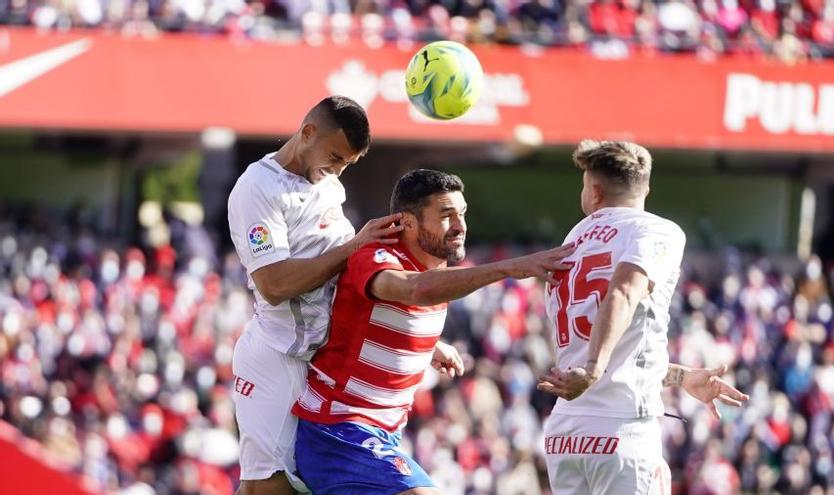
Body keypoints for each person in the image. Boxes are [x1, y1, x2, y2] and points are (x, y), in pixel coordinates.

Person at [292, 169, 575, 495]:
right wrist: (509, 267)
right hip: (338, 431)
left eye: (462, 214)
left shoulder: (433, 266)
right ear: (408, 223)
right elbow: (411, 290)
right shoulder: (375, 256)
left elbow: (374, 315)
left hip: (382, 433)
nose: (460, 226)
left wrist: (430, 346)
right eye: (446, 215)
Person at [536, 140, 750, 495]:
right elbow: (623, 292)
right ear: (646, 189)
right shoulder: (656, 230)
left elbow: (615, 344)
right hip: (622, 428)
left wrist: (682, 377)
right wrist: (592, 369)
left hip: (567, 431)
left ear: (594, 191)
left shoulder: (575, 238)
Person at [227, 96, 403, 495]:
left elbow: (347, 279)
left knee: (307, 483)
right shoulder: (258, 188)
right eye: (335, 156)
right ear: (308, 132)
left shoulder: (328, 187)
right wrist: (354, 246)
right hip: (277, 357)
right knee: (267, 486)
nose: (338, 170)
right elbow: (274, 285)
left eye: (346, 164)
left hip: (323, 360)